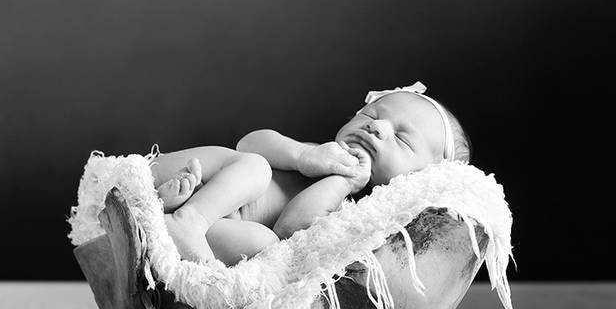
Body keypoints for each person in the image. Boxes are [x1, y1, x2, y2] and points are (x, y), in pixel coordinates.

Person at [151, 82, 470, 265]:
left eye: (401, 138)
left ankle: (167, 219)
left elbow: (290, 228)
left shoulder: (353, 216)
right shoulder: (318, 153)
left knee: (266, 244)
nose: (377, 126)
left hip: (217, 226)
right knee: (255, 166)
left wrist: (344, 182)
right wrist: (303, 155)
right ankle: (188, 215)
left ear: (421, 179)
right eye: (371, 114)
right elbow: (248, 143)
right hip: (199, 174)